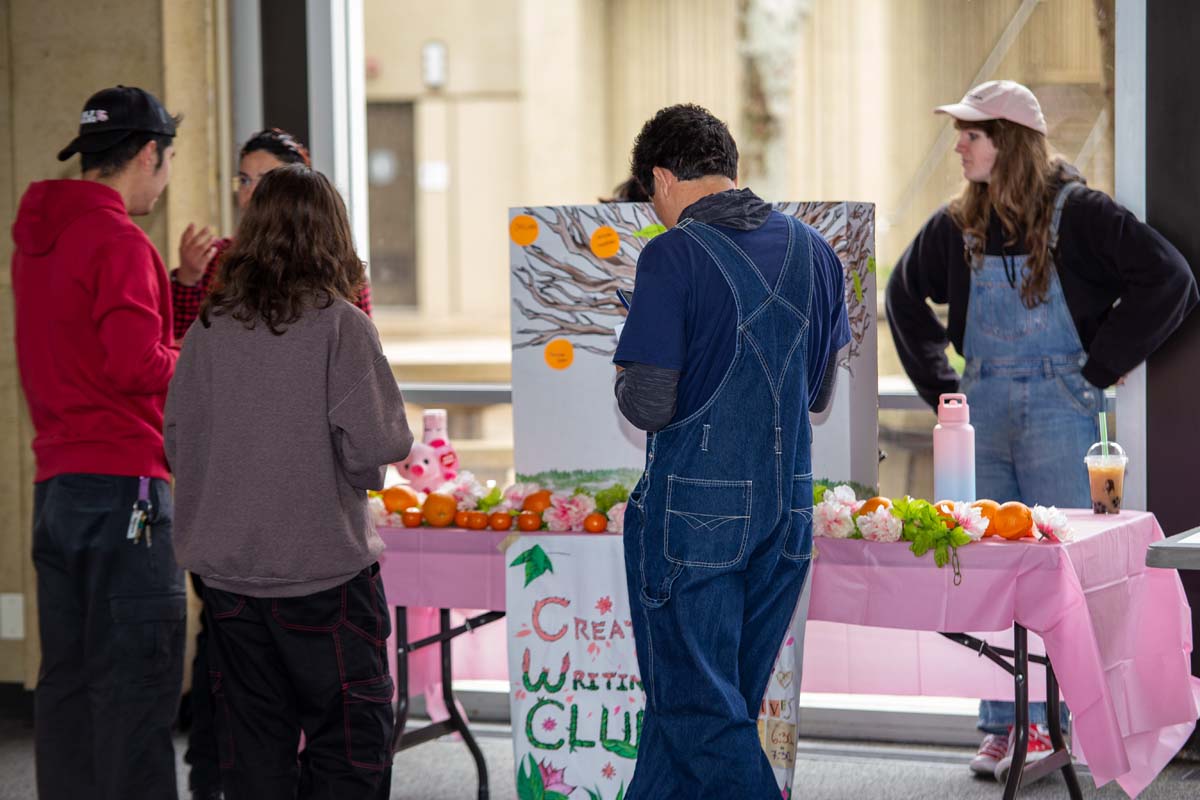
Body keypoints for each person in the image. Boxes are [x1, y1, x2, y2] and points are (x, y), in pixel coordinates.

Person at [887, 80, 1197, 783]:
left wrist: (1097, 367)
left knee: (1067, 568)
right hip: (983, 414)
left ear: (1010, 141)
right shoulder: (956, 224)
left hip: (1062, 412)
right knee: (986, 571)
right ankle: (1003, 726)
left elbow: (1171, 279)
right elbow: (903, 296)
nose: (959, 144)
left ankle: (1073, 725)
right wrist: (943, 391)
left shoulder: (1080, 213)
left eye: (971, 133)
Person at [614, 104, 850, 797]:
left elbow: (648, 405)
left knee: (697, 715)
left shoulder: (672, 254)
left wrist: (626, 367)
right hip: (785, 520)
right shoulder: (816, 252)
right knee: (703, 716)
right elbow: (814, 394)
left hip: (695, 522)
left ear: (661, 178)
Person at [165, 164, 413, 799]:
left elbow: (179, 443)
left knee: (253, 749)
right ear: (333, 234)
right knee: (349, 745)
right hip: (323, 578)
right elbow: (376, 448)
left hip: (228, 582)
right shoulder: (340, 326)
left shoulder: (209, 329)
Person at [11, 85, 185, 799]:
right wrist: (201, 357)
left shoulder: (37, 243)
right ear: (148, 153)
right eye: (167, 159)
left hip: (57, 492)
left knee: (69, 688)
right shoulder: (119, 242)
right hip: (128, 497)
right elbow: (134, 364)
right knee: (137, 694)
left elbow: (84, 351)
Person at [171, 127, 373, 341]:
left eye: (269, 181)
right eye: (244, 180)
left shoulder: (337, 268)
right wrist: (187, 279)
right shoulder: (215, 259)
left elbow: (360, 352)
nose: (252, 193)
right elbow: (186, 352)